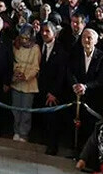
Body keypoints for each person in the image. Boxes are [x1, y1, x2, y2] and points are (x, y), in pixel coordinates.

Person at [68, 28, 103, 137]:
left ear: (95, 41)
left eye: (89, 38)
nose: (86, 40)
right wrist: (75, 85)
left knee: (90, 128)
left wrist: (85, 86)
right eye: (83, 37)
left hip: (93, 100)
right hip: (76, 97)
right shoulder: (75, 54)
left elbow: (101, 79)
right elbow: (70, 72)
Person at [36, 21, 68, 155]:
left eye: (47, 31)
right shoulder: (37, 45)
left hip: (53, 91)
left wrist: (54, 92)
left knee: (52, 120)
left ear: (54, 33)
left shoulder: (61, 50)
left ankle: (52, 146)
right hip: (38, 88)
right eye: (42, 30)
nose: (44, 33)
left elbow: (62, 74)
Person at [11, 24, 40, 142]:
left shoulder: (36, 48)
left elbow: (36, 67)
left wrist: (26, 76)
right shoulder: (16, 46)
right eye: (22, 37)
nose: (24, 40)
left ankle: (24, 133)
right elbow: (12, 61)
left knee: (26, 111)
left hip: (29, 84)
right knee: (15, 109)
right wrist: (15, 73)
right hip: (16, 82)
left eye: (26, 38)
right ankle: (16, 131)